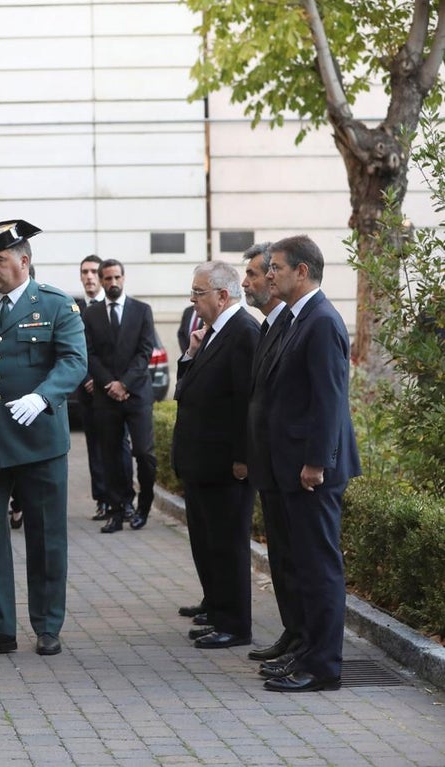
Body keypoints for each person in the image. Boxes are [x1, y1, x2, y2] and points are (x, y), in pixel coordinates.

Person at [0, 220, 86, 658]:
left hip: (39, 442)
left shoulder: (55, 305)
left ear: (24, 261)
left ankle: (47, 625)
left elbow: (73, 362)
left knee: (46, 538)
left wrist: (43, 396)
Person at [261, 234, 360, 693]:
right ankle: (305, 651)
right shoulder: (297, 318)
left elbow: (329, 399)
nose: (268, 275)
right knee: (302, 565)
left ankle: (323, 667)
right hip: (293, 468)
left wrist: (317, 462)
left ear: (302, 271)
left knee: (319, 568)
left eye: (277, 267)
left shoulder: (321, 321)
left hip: (312, 472)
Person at [171, 261, 259, 649]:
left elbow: (247, 403)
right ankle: (218, 608)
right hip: (202, 462)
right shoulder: (212, 332)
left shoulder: (243, 332)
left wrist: (243, 457)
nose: (192, 300)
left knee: (227, 544)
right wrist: (191, 354)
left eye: (198, 292)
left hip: (226, 465)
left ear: (223, 296)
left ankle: (235, 623)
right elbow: (186, 391)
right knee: (208, 543)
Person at [240, 243, 304, 668]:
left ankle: (305, 644)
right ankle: (293, 635)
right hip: (273, 465)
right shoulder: (270, 324)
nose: (248, 282)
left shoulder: (301, 323)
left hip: (297, 466)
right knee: (282, 559)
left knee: (301, 561)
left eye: (256, 273)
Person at [81, 259, 157, 533]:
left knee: (143, 453)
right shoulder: (90, 315)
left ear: (124, 279)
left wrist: (124, 384)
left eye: (116, 278)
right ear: (101, 281)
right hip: (105, 395)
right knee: (110, 455)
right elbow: (88, 354)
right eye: (108, 278)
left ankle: (144, 505)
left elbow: (145, 352)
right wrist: (109, 384)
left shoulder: (142, 310)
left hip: (136, 393)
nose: (112, 283)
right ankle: (117, 508)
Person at [74, 254, 133, 522]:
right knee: (95, 447)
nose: (88, 276)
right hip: (88, 391)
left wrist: (108, 382)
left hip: (113, 390)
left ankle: (122, 499)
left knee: (118, 446)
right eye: (84, 272)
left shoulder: (118, 306)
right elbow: (73, 349)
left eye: (92, 272)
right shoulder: (73, 307)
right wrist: (87, 377)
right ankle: (102, 499)